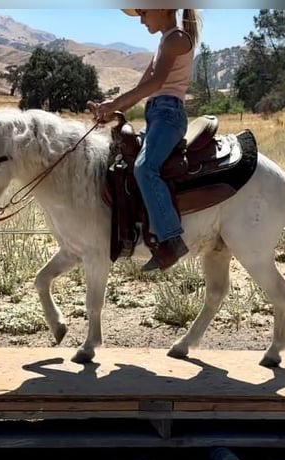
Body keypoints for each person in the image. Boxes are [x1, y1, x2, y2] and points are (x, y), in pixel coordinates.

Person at [88, 9, 201, 271]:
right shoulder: (165, 42)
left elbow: (156, 83)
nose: (141, 19)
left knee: (145, 167)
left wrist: (116, 104)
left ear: (161, 8)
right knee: (122, 159)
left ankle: (171, 239)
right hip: (157, 114)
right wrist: (113, 108)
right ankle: (134, 229)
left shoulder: (176, 39)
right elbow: (142, 88)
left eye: (143, 12)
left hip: (168, 115)